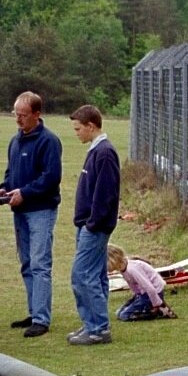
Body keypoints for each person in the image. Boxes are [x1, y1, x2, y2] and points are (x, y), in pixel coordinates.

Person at [0, 91, 62, 338]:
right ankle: (34, 312)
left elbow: (51, 177)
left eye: (23, 115)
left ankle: (42, 318)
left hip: (40, 210)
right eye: (16, 114)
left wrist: (25, 192)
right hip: (20, 210)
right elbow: (12, 171)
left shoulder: (48, 141)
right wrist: (5, 187)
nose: (18, 120)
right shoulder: (16, 140)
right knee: (26, 263)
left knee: (40, 262)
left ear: (36, 114)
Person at [67, 104, 119, 345]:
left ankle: (98, 327)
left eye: (78, 128)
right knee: (95, 274)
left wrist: (93, 223)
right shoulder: (95, 151)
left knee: (82, 275)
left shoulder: (105, 153)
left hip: (94, 227)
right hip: (87, 224)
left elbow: (105, 194)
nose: (76, 132)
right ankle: (91, 324)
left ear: (91, 126)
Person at [109, 244, 177, 322]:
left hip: (152, 294)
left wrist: (156, 304)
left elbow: (149, 287)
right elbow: (133, 285)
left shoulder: (132, 269)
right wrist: (137, 296)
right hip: (142, 294)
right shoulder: (123, 268)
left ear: (113, 260)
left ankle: (157, 310)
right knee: (118, 313)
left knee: (124, 315)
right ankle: (147, 307)